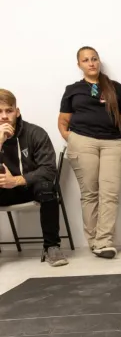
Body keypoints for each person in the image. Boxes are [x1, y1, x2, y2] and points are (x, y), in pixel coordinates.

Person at [58, 46, 121, 259]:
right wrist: (73, 140)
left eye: (94, 59)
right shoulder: (72, 89)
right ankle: (93, 241)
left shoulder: (116, 88)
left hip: (112, 143)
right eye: (86, 60)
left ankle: (105, 241)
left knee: (109, 193)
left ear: (99, 61)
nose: (91, 63)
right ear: (79, 65)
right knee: (90, 193)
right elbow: (63, 121)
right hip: (82, 142)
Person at [0, 89, 68, 266]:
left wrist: (15, 181)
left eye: (8, 110)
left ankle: (52, 246)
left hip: (30, 187)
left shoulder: (35, 133)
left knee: (47, 188)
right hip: (3, 190)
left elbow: (48, 170)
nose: (4, 116)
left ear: (17, 112)